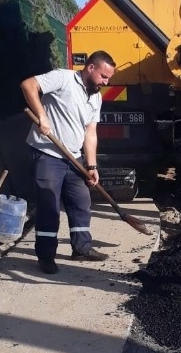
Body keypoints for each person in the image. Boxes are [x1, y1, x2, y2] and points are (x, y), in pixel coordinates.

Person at [20, 51, 116, 275]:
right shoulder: (63, 78)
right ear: (90, 68)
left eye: (108, 78)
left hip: (74, 157)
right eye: (103, 76)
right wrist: (42, 116)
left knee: (81, 203)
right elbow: (28, 85)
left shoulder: (95, 97)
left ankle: (82, 249)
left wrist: (91, 167)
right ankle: (46, 256)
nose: (106, 82)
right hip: (48, 154)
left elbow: (90, 133)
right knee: (49, 205)